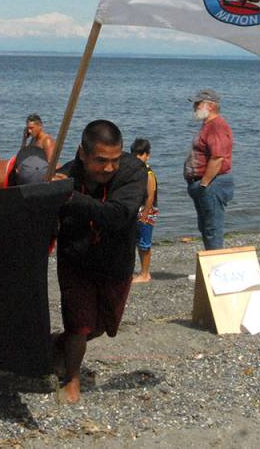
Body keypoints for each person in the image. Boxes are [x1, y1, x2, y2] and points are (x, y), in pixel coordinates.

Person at [51, 120, 146, 403]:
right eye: (100, 160)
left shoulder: (133, 173)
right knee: (78, 325)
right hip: (76, 259)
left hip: (115, 260)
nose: (108, 168)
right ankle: (72, 377)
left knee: (102, 326)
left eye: (114, 160)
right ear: (83, 152)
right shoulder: (65, 175)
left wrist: (70, 196)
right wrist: (47, 193)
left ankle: (55, 347)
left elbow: (117, 215)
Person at [184, 89, 234, 250]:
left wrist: (204, 184)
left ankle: (215, 268)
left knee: (212, 228)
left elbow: (217, 157)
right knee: (206, 226)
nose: (195, 107)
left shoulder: (216, 126)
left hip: (212, 184)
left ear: (210, 105)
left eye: (198, 103)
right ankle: (209, 266)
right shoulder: (208, 125)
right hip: (205, 183)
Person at [130, 138, 157, 284]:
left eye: (140, 154)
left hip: (147, 211)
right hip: (137, 210)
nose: (137, 157)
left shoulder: (148, 173)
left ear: (147, 155)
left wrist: (145, 214)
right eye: (135, 154)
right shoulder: (135, 172)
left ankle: (145, 273)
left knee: (144, 243)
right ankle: (141, 271)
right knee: (137, 241)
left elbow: (151, 194)